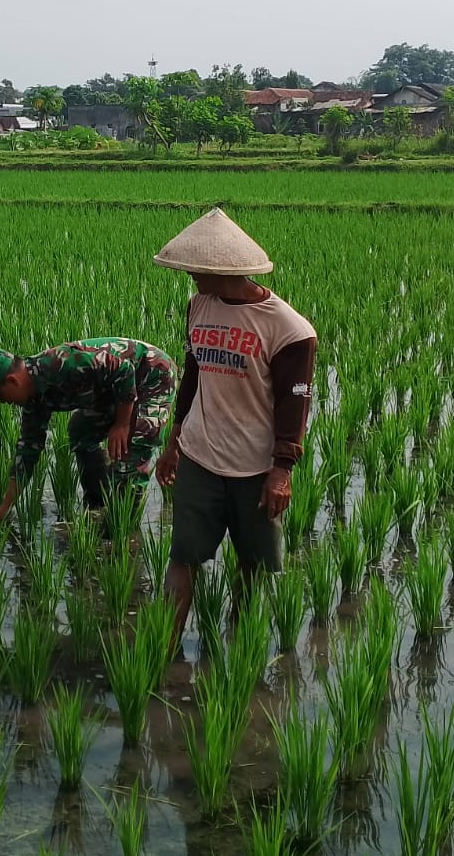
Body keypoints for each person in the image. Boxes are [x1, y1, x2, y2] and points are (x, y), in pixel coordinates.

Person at [153, 207, 317, 648]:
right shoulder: (199, 306)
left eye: (195, 268)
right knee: (182, 556)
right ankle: (163, 650)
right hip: (200, 456)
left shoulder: (288, 329)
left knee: (251, 563)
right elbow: (193, 375)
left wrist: (282, 470)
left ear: (220, 269)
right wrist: (173, 443)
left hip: (254, 468)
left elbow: (294, 402)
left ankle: (237, 645)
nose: (189, 274)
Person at [0, 338, 176, 521]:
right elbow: (27, 452)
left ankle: (121, 530)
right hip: (112, 390)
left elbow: (124, 370)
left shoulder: (61, 363)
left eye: (0, 396)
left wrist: (122, 424)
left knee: (132, 448)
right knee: (81, 431)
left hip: (152, 374)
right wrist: (4, 509)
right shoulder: (34, 401)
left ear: (13, 381)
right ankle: (98, 503)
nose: (3, 402)